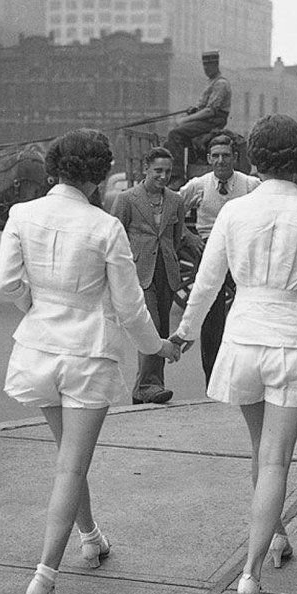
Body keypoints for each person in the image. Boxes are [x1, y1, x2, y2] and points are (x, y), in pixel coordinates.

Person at [0, 129, 181, 594]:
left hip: (37, 351)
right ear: (98, 175)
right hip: (87, 356)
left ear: (55, 168)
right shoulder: (105, 227)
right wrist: (157, 347)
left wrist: (35, 307)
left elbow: (4, 282)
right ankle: (43, 579)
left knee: (67, 459)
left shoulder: (21, 214)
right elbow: (131, 307)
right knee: (71, 467)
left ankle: (91, 537)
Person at [171, 114, 297, 594]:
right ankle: (250, 573)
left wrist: (185, 333)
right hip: (293, 341)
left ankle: (276, 535)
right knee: (276, 459)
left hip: (244, 340)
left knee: (260, 448)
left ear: (255, 159)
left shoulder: (234, 212)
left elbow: (206, 283)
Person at [179, 133, 261, 385]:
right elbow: (173, 210)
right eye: (215, 156)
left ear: (235, 157)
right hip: (209, 252)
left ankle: (245, 377)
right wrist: (189, 236)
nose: (221, 161)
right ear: (208, 159)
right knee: (210, 317)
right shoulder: (198, 185)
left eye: (226, 155)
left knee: (247, 311)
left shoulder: (250, 185)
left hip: (241, 254)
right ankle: (212, 381)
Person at [111, 147, 188, 405]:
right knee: (151, 326)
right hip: (138, 273)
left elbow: (176, 237)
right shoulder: (127, 199)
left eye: (168, 171)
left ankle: (147, 389)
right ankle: (148, 385)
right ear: (146, 169)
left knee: (162, 327)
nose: (163, 176)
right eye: (158, 171)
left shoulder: (176, 201)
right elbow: (114, 235)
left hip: (166, 272)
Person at [165, 51, 231, 187]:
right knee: (177, 135)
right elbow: (202, 106)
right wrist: (194, 110)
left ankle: (177, 177)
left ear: (216, 65)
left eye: (209, 66)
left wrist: (185, 120)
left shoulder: (221, 84)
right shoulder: (211, 82)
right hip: (208, 119)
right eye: (204, 66)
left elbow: (210, 111)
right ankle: (188, 167)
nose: (206, 69)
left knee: (175, 133)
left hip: (214, 120)